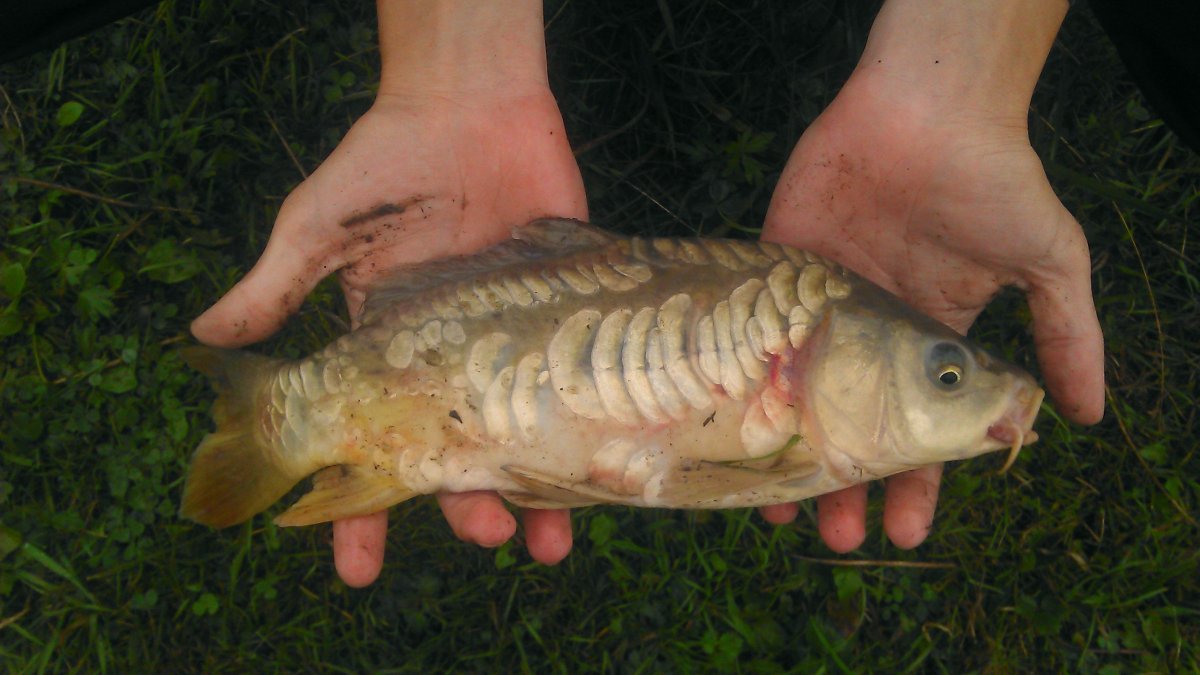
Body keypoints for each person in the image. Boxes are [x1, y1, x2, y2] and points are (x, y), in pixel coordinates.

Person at [185, 0, 1107, 588]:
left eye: (950, 375)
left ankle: (298, 418)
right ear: (804, 356)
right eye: (946, 373)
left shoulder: (813, 383)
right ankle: (283, 417)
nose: (980, 390)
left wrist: (957, 95)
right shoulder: (800, 363)